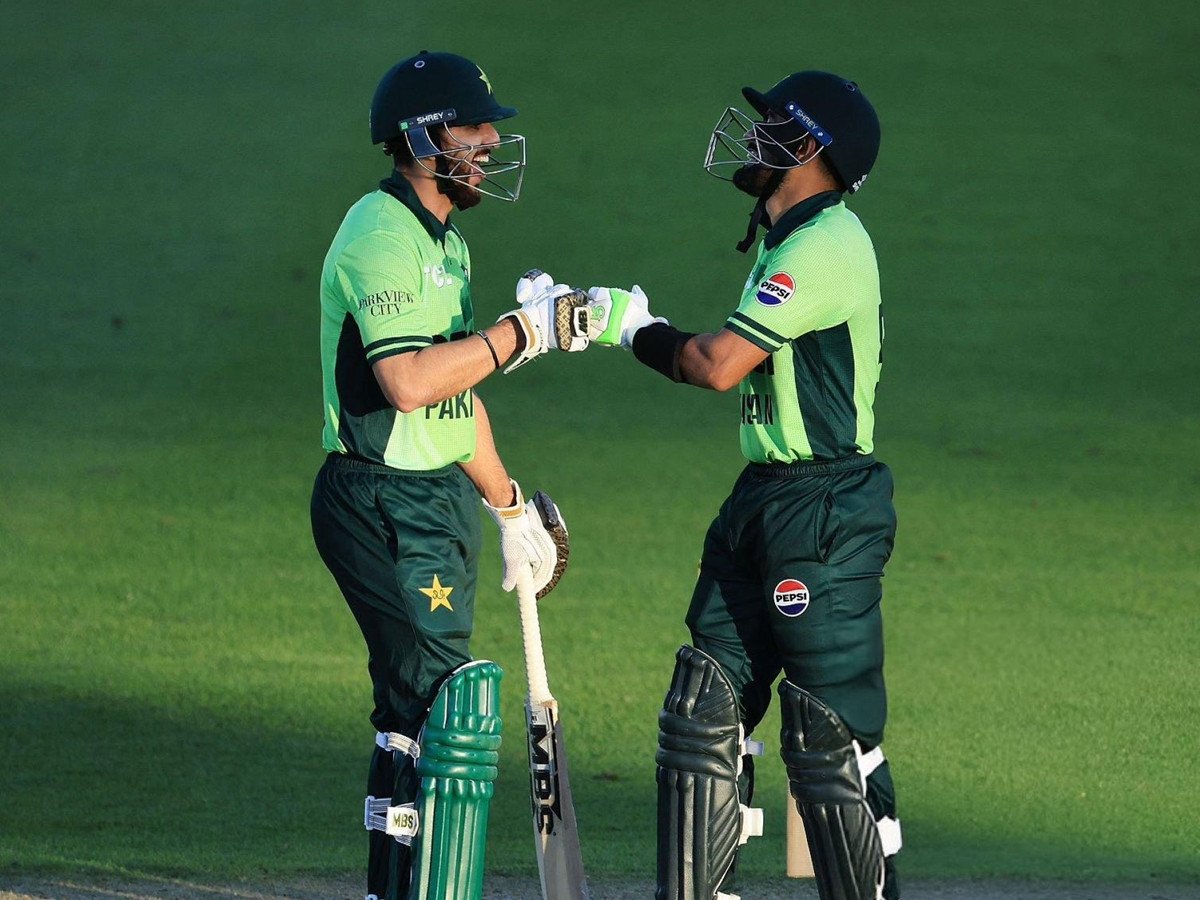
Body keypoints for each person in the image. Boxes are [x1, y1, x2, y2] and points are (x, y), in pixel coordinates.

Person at [586, 71, 902, 900]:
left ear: (812, 150)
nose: (754, 136)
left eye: (773, 126)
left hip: (826, 509)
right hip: (765, 495)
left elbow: (717, 365)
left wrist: (628, 325)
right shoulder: (783, 238)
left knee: (830, 738)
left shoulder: (826, 246)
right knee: (703, 712)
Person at [309, 50, 588, 900]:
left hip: (434, 504)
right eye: (475, 127)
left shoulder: (449, 245)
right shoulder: (378, 235)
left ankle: (396, 887)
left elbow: (453, 399)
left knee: (421, 711)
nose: (493, 142)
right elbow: (407, 382)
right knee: (441, 706)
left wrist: (510, 508)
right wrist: (521, 334)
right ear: (426, 136)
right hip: (376, 499)